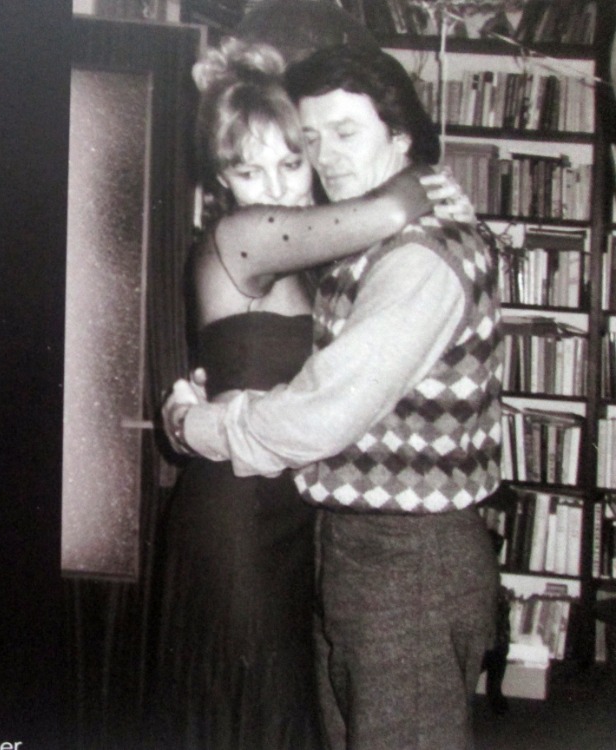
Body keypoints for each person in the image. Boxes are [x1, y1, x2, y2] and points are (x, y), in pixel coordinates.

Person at [162, 44, 502, 750]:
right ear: (220, 178)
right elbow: (394, 204)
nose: (277, 186)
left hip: (320, 524)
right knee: (253, 712)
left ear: (397, 133)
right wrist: (425, 183)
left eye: (295, 158)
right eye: (246, 169)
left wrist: (202, 421)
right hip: (242, 519)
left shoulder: (346, 254)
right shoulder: (246, 234)